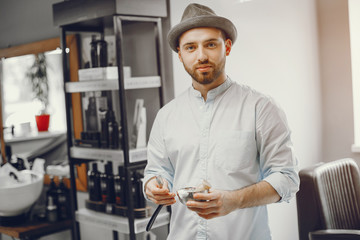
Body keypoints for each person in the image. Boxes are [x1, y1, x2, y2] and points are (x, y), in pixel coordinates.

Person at [143, 3, 299, 240]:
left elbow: (286, 178)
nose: (201, 55)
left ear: (226, 47)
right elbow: (156, 170)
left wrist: (233, 201)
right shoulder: (167, 115)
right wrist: (153, 186)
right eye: (190, 47)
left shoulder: (261, 108)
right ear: (180, 54)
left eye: (210, 44)